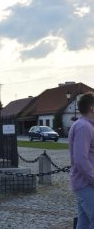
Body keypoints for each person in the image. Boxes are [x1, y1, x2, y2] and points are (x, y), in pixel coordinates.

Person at [69, 92, 94, 228]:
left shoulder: (87, 125)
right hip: (86, 184)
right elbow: (80, 159)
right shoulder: (84, 127)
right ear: (92, 108)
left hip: (85, 183)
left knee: (84, 222)